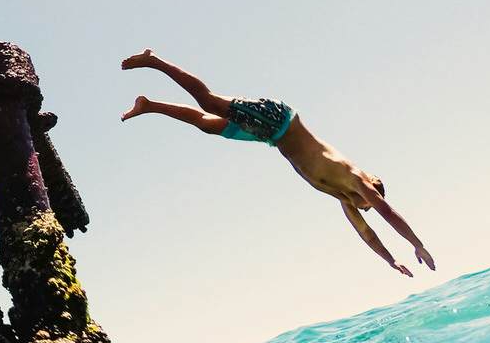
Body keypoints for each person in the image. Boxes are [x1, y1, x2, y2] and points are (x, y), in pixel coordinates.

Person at [120, 49, 435, 277]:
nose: (360, 203)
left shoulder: (345, 199)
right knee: (210, 102)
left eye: (361, 204)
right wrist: (417, 244)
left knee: (206, 123)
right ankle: (154, 60)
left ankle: (150, 105)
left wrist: (390, 260)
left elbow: (367, 233)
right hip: (279, 120)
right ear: (371, 188)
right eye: (365, 200)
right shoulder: (355, 178)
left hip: (270, 137)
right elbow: (386, 212)